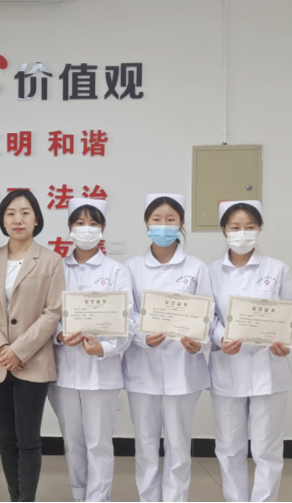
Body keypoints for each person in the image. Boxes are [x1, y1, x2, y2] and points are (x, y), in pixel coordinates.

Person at [0, 189, 64, 502]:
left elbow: (52, 312)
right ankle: (16, 497)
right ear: (3, 220)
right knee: (6, 439)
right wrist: (1, 349)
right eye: (10, 213)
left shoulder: (50, 260)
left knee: (28, 440)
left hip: (32, 362)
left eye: (25, 213)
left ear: (37, 219)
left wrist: (19, 350)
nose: (18, 219)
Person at [123, 193, 213, 503]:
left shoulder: (197, 268)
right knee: (145, 442)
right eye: (157, 219)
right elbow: (127, 313)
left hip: (183, 368)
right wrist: (142, 336)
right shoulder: (131, 267)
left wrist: (198, 341)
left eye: (170, 219)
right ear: (146, 224)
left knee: (178, 443)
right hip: (142, 366)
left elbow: (207, 314)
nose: (163, 225)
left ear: (181, 223)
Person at [48, 198, 133, 503]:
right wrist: (59, 335)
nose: (87, 229)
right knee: (72, 442)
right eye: (80, 223)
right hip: (64, 370)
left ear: (103, 228)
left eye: (93, 223)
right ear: (70, 227)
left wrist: (104, 348)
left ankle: (98, 499)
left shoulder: (116, 271)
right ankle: (79, 496)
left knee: (99, 443)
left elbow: (127, 322)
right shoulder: (56, 267)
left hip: (101, 370)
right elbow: (46, 314)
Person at [209, 201, 291, 502]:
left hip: (269, 368)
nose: (242, 233)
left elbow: (289, 315)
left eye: (250, 227)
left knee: (267, 449)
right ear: (224, 230)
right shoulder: (211, 271)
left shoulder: (278, 269)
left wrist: (286, 343)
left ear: (259, 229)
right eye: (235, 227)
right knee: (229, 447)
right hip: (227, 366)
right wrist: (221, 338)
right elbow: (208, 317)